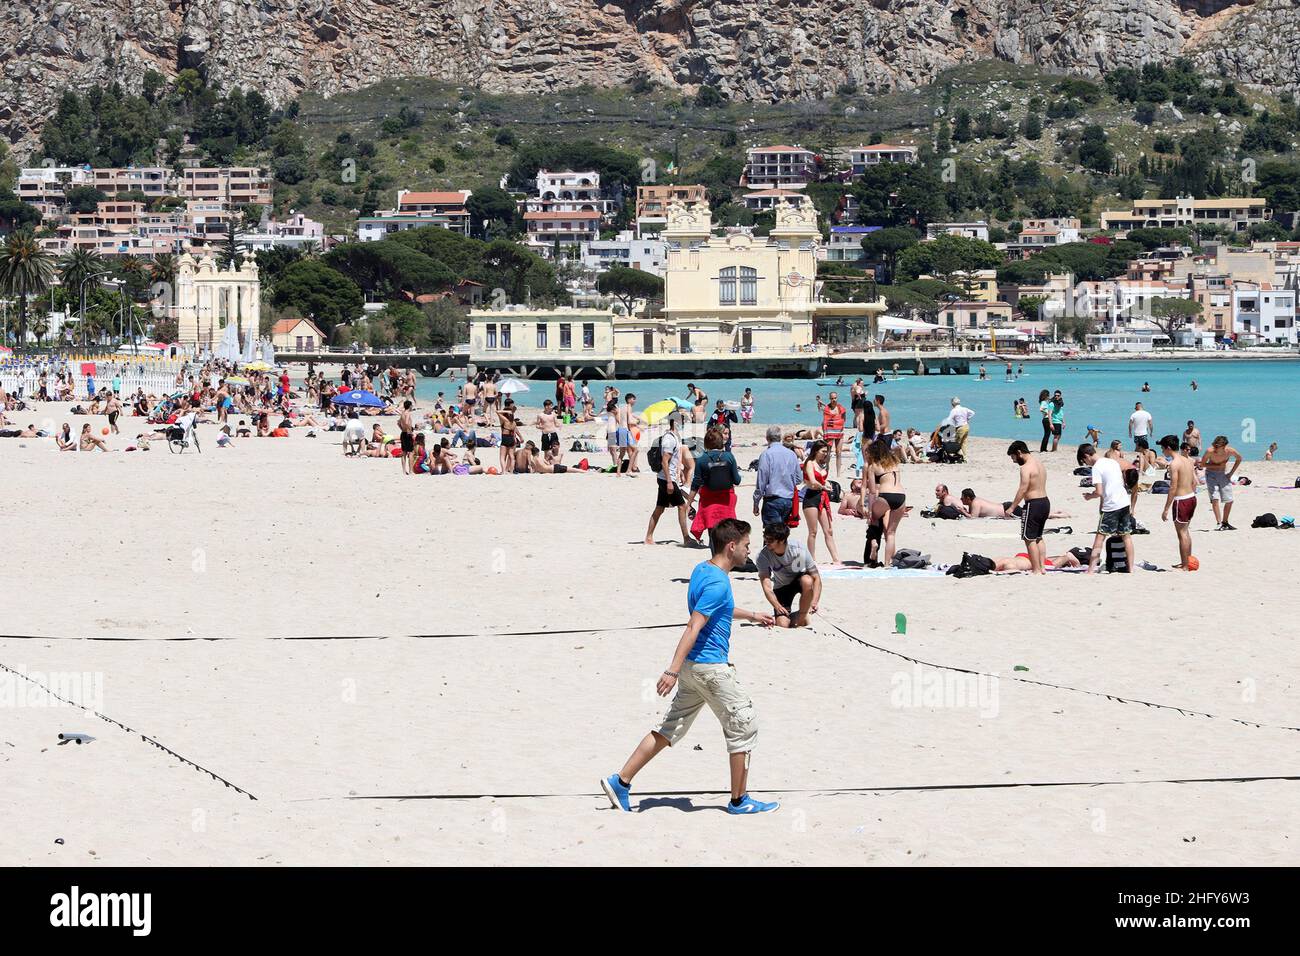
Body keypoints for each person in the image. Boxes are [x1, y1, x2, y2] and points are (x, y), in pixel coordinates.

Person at [601, 518, 778, 815]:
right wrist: (671, 670)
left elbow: (715, 608)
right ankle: (739, 801)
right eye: (747, 546)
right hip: (710, 670)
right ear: (731, 546)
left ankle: (620, 781)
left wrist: (752, 615)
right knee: (744, 725)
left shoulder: (703, 570)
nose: (750, 551)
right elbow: (694, 625)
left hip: (693, 670)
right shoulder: (719, 583)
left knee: (669, 730)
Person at [1078, 443, 1135, 574]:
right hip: (1124, 502)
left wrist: (1089, 496)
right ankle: (1131, 569)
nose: (1086, 463)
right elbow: (1114, 484)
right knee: (1126, 536)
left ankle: (1091, 569)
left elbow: (1099, 491)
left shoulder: (1097, 468)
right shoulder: (1112, 462)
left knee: (1100, 537)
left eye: (1084, 461)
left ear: (1087, 456)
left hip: (1111, 507)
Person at [756, 522, 821, 628]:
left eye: (770, 540)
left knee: (807, 580)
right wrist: (777, 605)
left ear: (781, 540)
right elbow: (766, 586)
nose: (767, 543)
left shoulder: (798, 549)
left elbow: (816, 578)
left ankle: (803, 614)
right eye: (765, 539)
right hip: (782, 586)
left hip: (800, 580)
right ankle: (800, 614)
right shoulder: (763, 556)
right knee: (783, 624)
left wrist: (814, 601)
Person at [687, 426, 741, 547]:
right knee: (727, 531)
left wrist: (689, 503)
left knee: (713, 532)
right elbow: (737, 480)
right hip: (727, 499)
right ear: (721, 441)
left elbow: (696, 484)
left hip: (709, 500)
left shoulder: (701, 459)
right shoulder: (729, 457)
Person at [1004, 440, 1050, 575]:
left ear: (1019, 452)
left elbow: (1023, 489)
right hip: (1045, 502)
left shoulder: (1025, 468)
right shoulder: (1040, 464)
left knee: (1028, 538)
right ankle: (1042, 567)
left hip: (1033, 504)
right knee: (1038, 537)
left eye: (1013, 457)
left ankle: (1036, 569)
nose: (1014, 461)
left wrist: (1012, 507)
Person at [860, 436, 907, 567]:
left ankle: (874, 542)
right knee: (891, 533)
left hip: (886, 495)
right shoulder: (895, 463)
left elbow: (873, 491)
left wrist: (870, 510)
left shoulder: (873, 466)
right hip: (901, 496)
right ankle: (888, 564)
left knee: (874, 520)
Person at [645, 416, 692, 546]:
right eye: (682, 421)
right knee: (682, 506)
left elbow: (673, 460)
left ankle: (648, 537)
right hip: (666, 479)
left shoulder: (674, 437)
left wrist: (680, 472)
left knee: (660, 508)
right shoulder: (669, 439)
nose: (684, 424)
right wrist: (670, 482)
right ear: (675, 422)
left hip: (665, 478)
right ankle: (686, 538)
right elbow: (664, 461)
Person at [799, 440, 842, 565]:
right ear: (816, 451)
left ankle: (835, 559)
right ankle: (812, 558)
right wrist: (824, 486)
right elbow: (812, 481)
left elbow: (823, 479)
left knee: (828, 530)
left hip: (822, 498)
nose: (825, 454)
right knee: (813, 531)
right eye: (823, 451)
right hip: (811, 497)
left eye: (826, 452)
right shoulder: (809, 463)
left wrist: (825, 484)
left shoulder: (824, 464)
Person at [1159, 435, 1197, 570]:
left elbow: (1173, 487)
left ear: (1168, 448)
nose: (1162, 451)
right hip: (1192, 497)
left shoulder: (1174, 463)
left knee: (1182, 534)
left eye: (1162, 448)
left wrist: (1166, 509)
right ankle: (1187, 561)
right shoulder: (1187, 460)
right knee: (1186, 532)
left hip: (1181, 500)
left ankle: (1186, 565)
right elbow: (1194, 482)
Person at [752, 425, 802, 528]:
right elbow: (799, 478)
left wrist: (756, 501)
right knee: (782, 536)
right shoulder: (791, 454)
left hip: (772, 500)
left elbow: (762, 481)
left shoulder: (766, 454)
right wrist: (787, 481)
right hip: (788, 500)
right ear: (780, 438)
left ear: (767, 438)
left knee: (771, 536)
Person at [1199, 435, 1243, 531]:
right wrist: (1217, 465)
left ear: (1224, 446)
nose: (1215, 447)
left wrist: (1231, 473)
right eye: (1215, 445)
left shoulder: (1229, 451)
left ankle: (1225, 522)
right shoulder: (1210, 451)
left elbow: (1239, 458)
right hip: (1211, 475)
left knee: (1229, 500)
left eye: (1218, 446)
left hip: (1223, 475)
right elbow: (1202, 464)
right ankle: (1219, 523)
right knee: (1215, 498)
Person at [816, 391, 847, 477]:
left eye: (835, 398)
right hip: (829, 433)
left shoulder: (841, 408)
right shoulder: (827, 409)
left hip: (839, 432)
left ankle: (838, 473)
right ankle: (827, 470)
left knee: (838, 452)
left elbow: (844, 419)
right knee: (828, 452)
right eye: (832, 398)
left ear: (837, 398)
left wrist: (837, 423)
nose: (834, 400)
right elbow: (823, 416)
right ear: (830, 399)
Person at [398, 400, 415, 475]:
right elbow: (407, 422)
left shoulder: (402, 413)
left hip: (403, 433)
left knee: (404, 452)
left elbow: (398, 423)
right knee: (411, 452)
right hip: (407, 434)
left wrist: (402, 429)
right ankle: (411, 471)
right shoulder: (408, 413)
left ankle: (404, 471)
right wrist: (410, 431)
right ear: (410, 406)